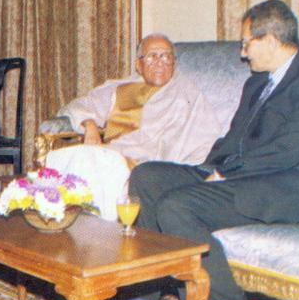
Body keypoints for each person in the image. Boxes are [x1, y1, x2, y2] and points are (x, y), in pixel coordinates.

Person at [111, 0, 299, 300]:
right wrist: (207, 168)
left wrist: (226, 175)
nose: (243, 53)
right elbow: (234, 139)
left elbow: (287, 150)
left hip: (287, 186)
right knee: (147, 177)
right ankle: (149, 298)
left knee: (179, 207)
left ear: (272, 41)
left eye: (247, 43)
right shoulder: (258, 82)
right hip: (241, 174)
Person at [45, 34, 221, 220]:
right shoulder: (119, 89)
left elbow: (206, 136)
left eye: (166, 56)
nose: (160, 62)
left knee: (96, 167)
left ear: (174, 64)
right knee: (65, 159)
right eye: (152, 56)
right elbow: (80, 106)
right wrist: (89, 124)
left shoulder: (186, 94)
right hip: (108, 153)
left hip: (145, 165)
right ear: (139, 65)